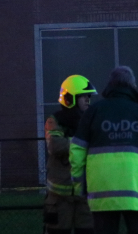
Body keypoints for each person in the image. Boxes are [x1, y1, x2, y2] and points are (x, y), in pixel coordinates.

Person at [70, 66, 138, 234]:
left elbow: (77, 152)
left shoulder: (93, 112)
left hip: (101, 193)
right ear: (133, 86)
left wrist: (80, 185)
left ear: (110, 85)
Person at [45, 75, 97, 234]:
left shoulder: (91, 120)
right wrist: (83, 142)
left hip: (84, 195)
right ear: (70, 98)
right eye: (83, 96)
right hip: (60, 198)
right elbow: (55, 145)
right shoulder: (54, 121)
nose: (87, 99)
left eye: (89, 96)